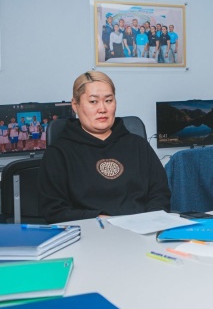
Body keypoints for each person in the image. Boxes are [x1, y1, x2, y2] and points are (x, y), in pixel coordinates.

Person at [38, 71, 171, 223]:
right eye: (93, 101)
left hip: (143, 229)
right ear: (75, 105)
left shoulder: (139, 145)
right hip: (89, 230)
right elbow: (54, 210)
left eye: (108, 100)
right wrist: (100, 220)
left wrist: (149, 221)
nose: (102, 109)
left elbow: (160, 195)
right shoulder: (58, 153)